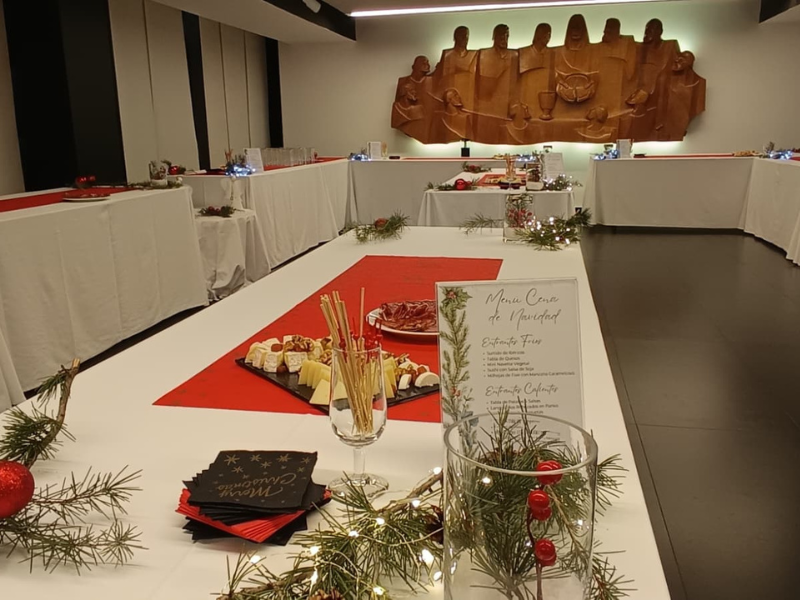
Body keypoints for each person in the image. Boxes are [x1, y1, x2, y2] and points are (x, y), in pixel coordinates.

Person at [474, 24, 519, 142]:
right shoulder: (483, 54)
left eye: (507, 36)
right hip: (487, 103)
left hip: (507, 103)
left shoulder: (514, 55)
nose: (504, 39)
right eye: (501, 36)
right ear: (494, 37)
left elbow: (515, 82)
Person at [662, 51, 706, 140]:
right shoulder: (664, 78)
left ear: (689, 64)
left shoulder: (698, 82)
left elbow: (697, 108)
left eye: (682, 59)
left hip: (678, 121)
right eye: (678, 58)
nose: (677, 60)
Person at [433, 26, 477, 111]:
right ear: (455, 37)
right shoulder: (447, 54)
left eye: (466, 36)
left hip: (468, 95)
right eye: (461, 35)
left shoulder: (474, 54)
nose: (464, 38)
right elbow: (438, 76)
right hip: (450, 97)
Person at [554, 15, 596, 104]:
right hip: (564, 94)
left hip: (588, 97)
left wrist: (588, 87)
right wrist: (562, 87)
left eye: (579, 28)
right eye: (573, 28)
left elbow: (596, 76)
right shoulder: (558, 52)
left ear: (583, 30)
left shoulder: (594, 51)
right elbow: (556, 76)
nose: (575, 31)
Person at [519, 23, 556, 120]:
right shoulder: (523, 53)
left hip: (545, 98)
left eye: (550, 35)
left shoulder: (553, 54)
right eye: (546, 34)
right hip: (527, 98)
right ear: (539, 35)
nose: (548, 38)